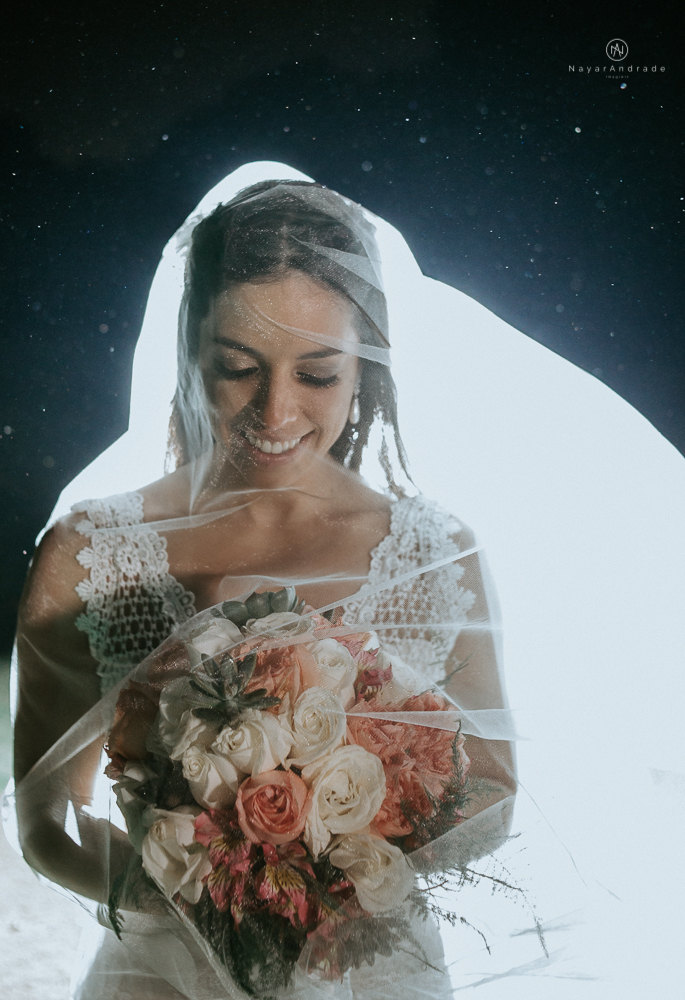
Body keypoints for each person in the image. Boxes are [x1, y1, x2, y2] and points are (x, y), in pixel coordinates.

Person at [11, 170, 516, 999]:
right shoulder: (90, 552)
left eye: (317, 375)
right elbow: (45, 816)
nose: (275, 413)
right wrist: (198, 896)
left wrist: (339, 868)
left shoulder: (432, 553)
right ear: (190, 350)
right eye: (238, 367)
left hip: (372, 975)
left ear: (365, 365)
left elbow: (492, 793)